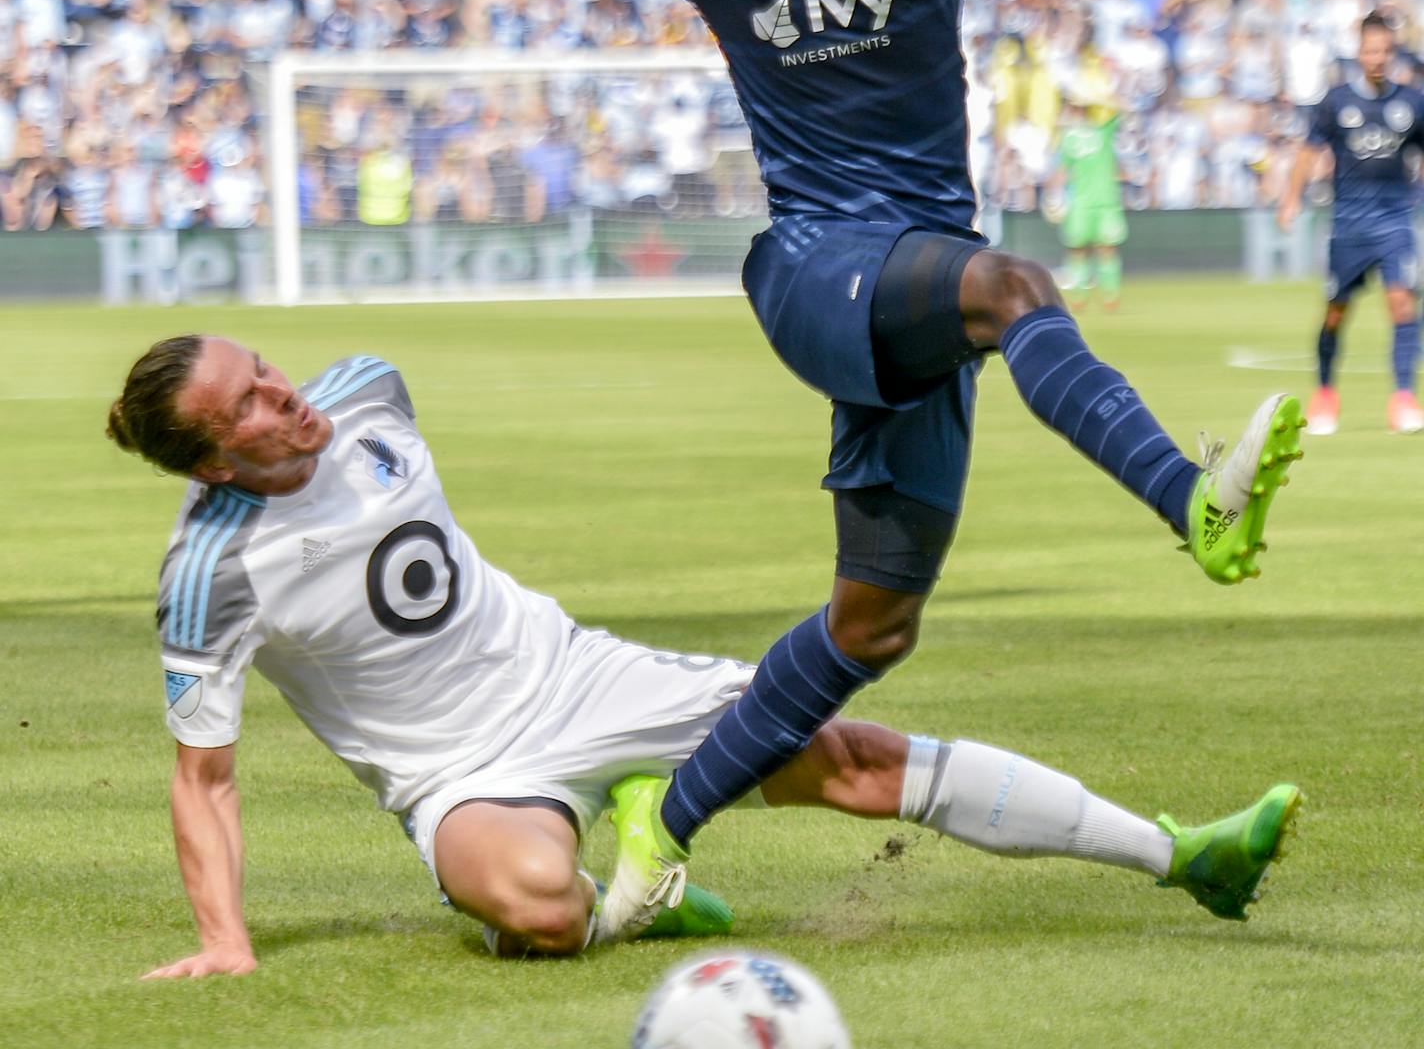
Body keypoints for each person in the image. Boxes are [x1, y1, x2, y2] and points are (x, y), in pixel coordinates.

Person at [311, 0, 1305, 939]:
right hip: (818, 265)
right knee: (1014, 289)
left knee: (870, 625)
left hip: (916, 283)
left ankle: (661, 828)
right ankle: (1189, 502)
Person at [108, 335, 1301, 974]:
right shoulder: (212, 576)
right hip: (455, 774)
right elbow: (199, 777)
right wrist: (225, 939)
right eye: (248, 408)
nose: (283, 395)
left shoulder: (369, 392)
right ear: (214, 462)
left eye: (262, 367)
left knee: (842, 757)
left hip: (575, 672)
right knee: (534, 907)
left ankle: (1180, 855)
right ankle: (648, 890)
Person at [1278, 12, 1424, 436]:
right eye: (1370, 50)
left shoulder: (1411, 101)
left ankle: (1403, 397)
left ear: (1392, 53)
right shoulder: (1336, 101)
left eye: (1385, 51)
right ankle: (1325, 393)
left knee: (1402, 302)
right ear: (1359, 53)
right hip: (1349, 225)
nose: (1378, 58)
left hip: (1394, 220)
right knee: (1336, 312)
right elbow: (1308, 152)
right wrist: (1291, 199)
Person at [1051, 97, 1126, 311]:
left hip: (1099, 201)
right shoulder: (1074, 136)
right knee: (1086, 249)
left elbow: (1061, 171)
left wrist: (1053, 195)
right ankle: (1081, 296)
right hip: (1090, 201)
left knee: (1096, 249)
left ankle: (1107, 295)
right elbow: (1063, 170)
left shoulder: (1101, 131)